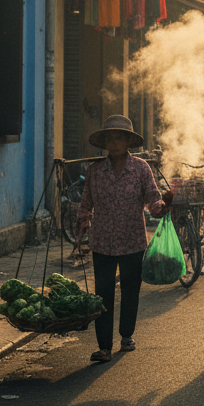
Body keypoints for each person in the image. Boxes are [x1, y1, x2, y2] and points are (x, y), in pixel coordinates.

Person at [75, 116, 166, 363]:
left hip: (132, 240)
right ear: (104, 142)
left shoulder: (140, 168)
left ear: (128, 142)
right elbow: (86, 203)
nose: (114, 143)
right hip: (102, 241)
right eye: (110, 138)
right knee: (102, 293)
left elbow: (152, 198)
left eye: (119, 138)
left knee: (130, 289)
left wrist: (161, 206)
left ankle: (126, 335)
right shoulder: (94, 170)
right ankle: (104, 346)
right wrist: (82, 219)